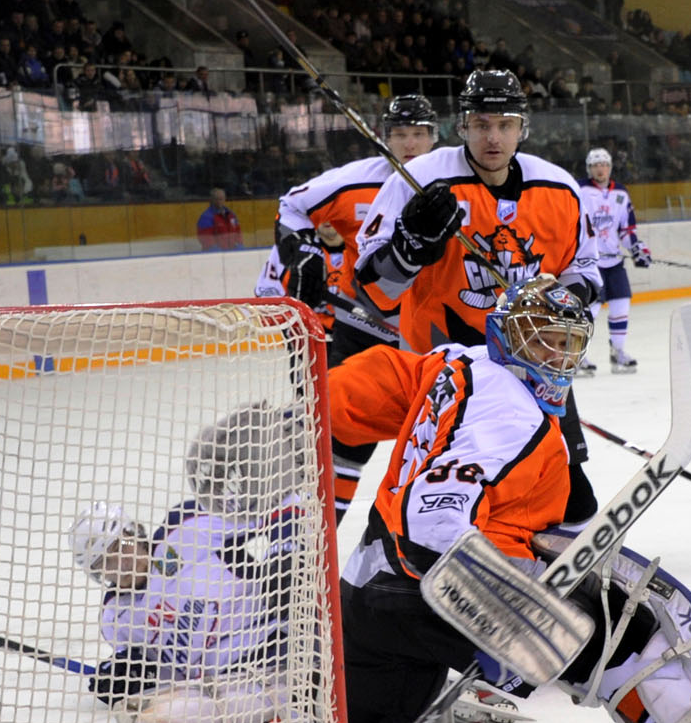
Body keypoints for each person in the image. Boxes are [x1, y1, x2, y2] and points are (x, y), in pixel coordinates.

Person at [331, 276, 691, 723]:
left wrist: (304, 400)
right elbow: (429, 525)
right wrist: (507, 613)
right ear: (504, 335)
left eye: (568, 344)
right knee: (623, 628)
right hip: (443, 591)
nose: (556, 357)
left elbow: (355, 390)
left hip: (366, 595)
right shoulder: (512, 414)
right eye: (542, 338)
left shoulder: (451, 363)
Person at [355, 68, 602, 535]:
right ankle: (400, 570)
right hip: (445, 366)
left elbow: (585, 270)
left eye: (505, 124)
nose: (494, 137)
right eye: (482, 124)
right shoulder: (420, 179)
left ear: (522, 129)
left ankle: (550, 564)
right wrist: (409, 249)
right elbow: (371, 290)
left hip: (535, 363)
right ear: (462, 125)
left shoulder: (558, 188)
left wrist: (558, 298)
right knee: (440, 489)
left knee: (566, 489)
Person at [67, 406, 310, 723]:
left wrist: (284, 550)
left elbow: (280, 502)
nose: (120, 561)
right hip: (217, 685)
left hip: (274, 649)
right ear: (99, 575)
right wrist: (125, 673)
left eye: (121, 545)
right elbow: (165, 673)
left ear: (134, 530)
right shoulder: (117, 619)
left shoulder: (186, 527)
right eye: (105, 562)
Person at [273, 93, 440, 523]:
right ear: (383, 137)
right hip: (362, 328)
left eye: (419, 134)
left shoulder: (458, 180)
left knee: (438, 448)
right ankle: (310, 543)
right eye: (400, 134)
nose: (409, 144)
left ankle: (424, 535)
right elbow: (292, 205)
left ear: (435, 138)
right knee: (342, 439)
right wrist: (303, 253)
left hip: (433, 339)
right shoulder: (354, 181)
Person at [577, 146, 650, 374]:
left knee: (621, 307)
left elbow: (626, 230)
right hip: (590, 263)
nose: (601, 169)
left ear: (610, 167)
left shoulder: (621, 193)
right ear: (590, 168)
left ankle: (617, 352)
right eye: (596, 165)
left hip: (614, 263)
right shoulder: (580, 190)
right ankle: (578, 356)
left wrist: (637, 248)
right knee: (590, 312)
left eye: (605, 164)